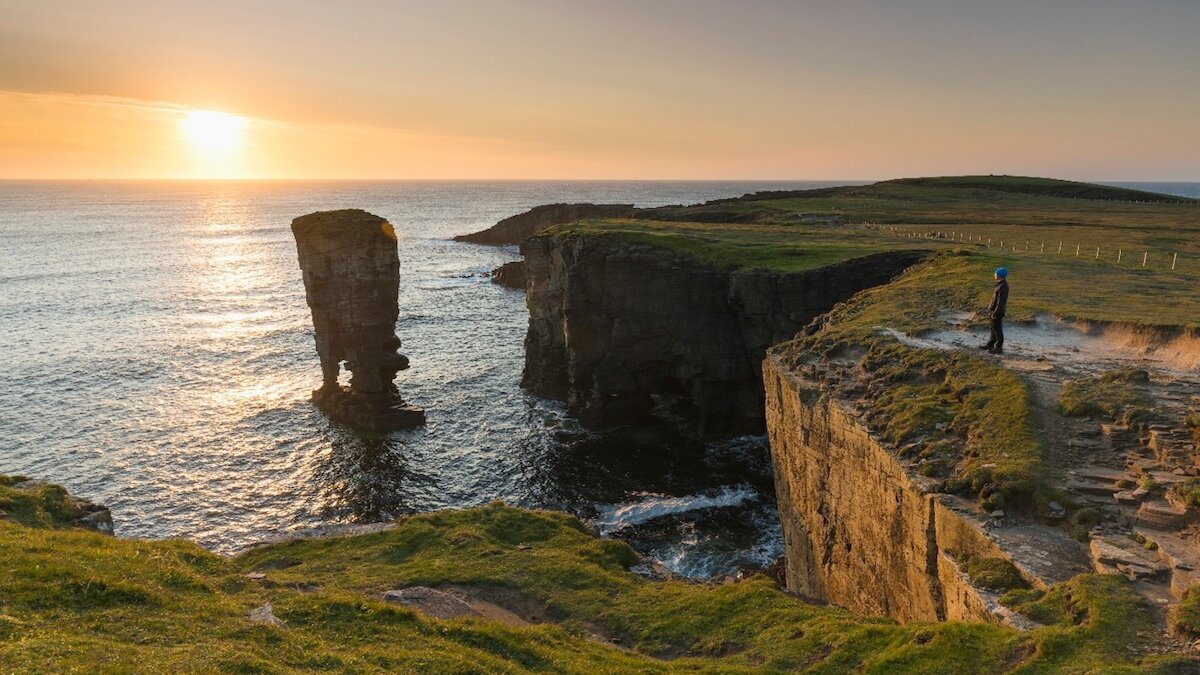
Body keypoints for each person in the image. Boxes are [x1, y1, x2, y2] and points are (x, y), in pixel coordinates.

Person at [979, 267, 1008, 354]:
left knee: (997, 329)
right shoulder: (1000, 284)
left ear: (999, 275)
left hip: (997, 312)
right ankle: (990, 344)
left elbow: (1001, 302)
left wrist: (995, 312)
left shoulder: (1003, 286)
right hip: (994, 310)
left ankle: (999, 348)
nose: (994, 275)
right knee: (993, 328)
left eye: (995, 273)